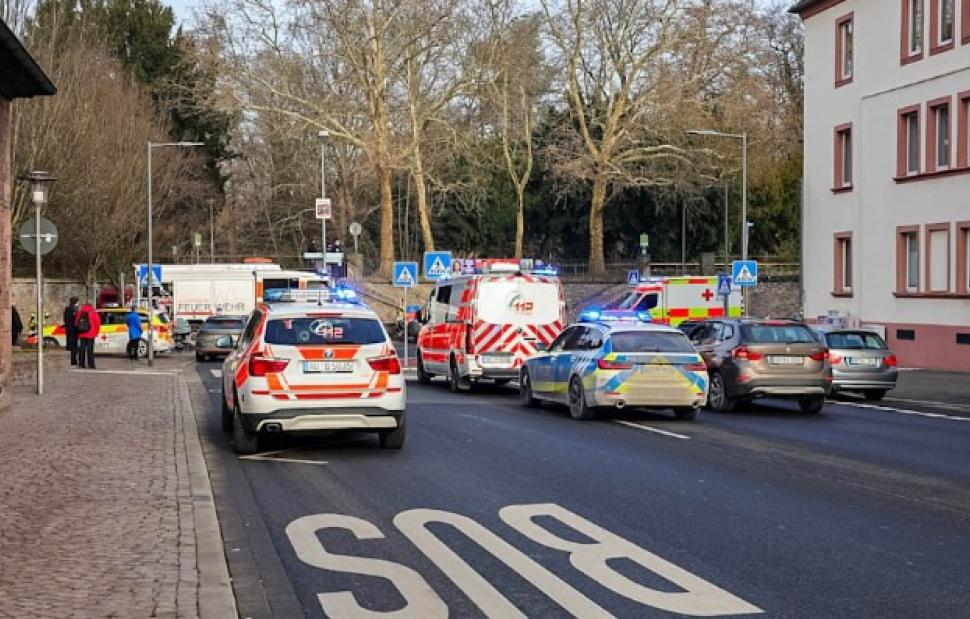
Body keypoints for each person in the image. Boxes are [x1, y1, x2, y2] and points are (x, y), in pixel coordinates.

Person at [75, 301, 101, 369]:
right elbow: (97, 324)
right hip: (91, 334)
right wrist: (96, 333)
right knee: (90, 350)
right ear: (91, 306)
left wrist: (79, 330)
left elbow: (76, 323)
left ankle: (82, 364)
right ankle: (91, 364)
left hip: (82, 333)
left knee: (82, 348)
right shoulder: (93, 312)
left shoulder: (80, 312)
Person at [63, 296, 80, 365]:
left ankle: (72, 360)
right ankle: (73, 361)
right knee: (74, 346)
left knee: (71, 345)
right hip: (74, 330)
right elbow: (76, 320)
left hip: (68, 329)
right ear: (76, 302)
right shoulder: (75, 309)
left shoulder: (67, 309)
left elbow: (65, 319)